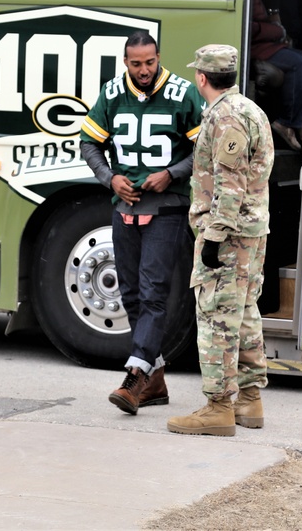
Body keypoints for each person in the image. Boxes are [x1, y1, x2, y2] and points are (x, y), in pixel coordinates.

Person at [80, 31, 205, 415]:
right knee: (130, 294)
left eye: (150, 62)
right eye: (136, 64)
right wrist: (110, 177)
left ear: (158, 57)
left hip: (166, 206)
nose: (145, 70)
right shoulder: (113, 92)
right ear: (126, 62)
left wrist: (170, 173)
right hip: (124, 207)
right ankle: (156, 379)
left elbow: (204, 148)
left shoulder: (184, 93)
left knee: (153, 292)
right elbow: (89, 143)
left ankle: (135, 374)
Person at [167, 44, 273, 437]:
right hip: (252, 233)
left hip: (228, 235)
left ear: (202, 77)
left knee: (216, 318)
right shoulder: (250, 110)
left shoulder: (225, 116)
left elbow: (230, 184)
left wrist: (213, 236)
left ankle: (218, 407)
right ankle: (249, 400)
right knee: (244, 314)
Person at [250, 0, 302, 150]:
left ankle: (298, 121)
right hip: (256, 48)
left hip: (264, 44)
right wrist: (278, 31)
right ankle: (285, 122)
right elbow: (252, 27)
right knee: (297, 63)